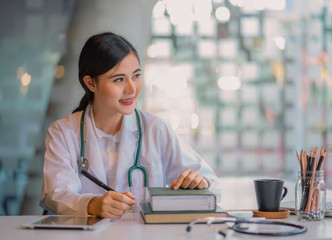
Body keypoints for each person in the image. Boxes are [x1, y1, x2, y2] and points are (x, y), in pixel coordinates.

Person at [39, 32, 221, 219]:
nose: (132, 89)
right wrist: (92, 204)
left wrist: (199, 182)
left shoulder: (155, 129)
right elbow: (56, 195)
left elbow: (212, 185)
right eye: (119, 79)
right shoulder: (63, 132)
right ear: (91, 83)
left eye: (135, 76)